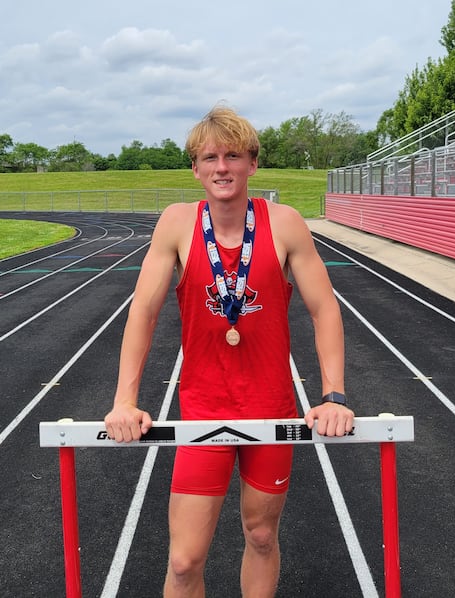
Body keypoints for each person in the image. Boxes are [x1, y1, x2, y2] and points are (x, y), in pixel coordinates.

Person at [104, 105, 354, 597]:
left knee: (261, 536)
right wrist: (124, 402)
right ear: (195, 168)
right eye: (210, 157)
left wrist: (334, 397)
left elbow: (325, 309)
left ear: (252, 164)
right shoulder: (177, 224)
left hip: (270, 408)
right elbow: (143, 313)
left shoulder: (284, 223)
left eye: (233, 156)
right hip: (204, 411)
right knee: (183, 561)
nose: (222, 167)